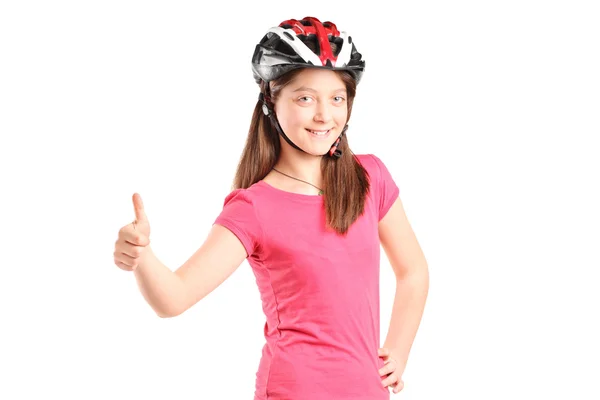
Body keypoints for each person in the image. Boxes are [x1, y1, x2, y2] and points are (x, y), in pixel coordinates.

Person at [113, 16, 429, 400]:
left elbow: (413, 271)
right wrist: (141, 256)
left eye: (336, 98)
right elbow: (174, 298)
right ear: (270, 101)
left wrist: (398, 348)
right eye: (304, 97)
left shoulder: (369, 177)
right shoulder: (254, 208)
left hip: (367, 391)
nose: (324, 115)